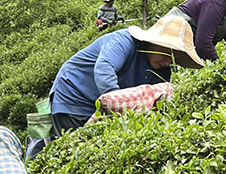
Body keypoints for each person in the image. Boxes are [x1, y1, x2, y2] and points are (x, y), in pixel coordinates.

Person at [49, 13, 205, 139]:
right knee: (72, 145)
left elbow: (154, 104)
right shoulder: (124, 41)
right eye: (167, 53)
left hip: (103, 105)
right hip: (74, 96)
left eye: (175, 59)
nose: (168, 62)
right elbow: (104, 70)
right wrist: (120, 110)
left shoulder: (162, 70)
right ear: (154, 43)